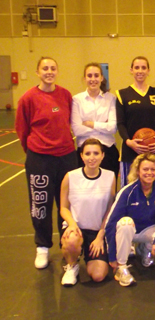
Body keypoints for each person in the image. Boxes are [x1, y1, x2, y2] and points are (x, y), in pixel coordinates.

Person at [15, 57, 78, 269]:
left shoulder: (65, 95)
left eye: (53, 68)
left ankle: (66, 242)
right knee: (40, 204)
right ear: (37, 72)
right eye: (45, 68)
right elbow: (22, 130)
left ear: (57, 71)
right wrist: (36, 150)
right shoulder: (28, 98)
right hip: (39, 158)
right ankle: (42, 247)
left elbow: (69, 123)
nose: (49, 71)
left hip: (67, 156)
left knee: (66, 204)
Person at [105, 153, 155, 287]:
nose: (149, 173)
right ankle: (122, 267)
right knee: (125, 223)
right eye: (145, 169)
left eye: (153, 169)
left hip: (147, 230)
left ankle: (145, 250)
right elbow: (110, 223)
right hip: (127, 231)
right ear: (138, 171)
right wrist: (112, 256)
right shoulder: (127, 192)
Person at [60, 139, 116, 286]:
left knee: (98, 276)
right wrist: (72, 224)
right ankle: (72, 266)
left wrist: (100, 236)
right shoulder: (70, 177)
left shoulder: (110, 176)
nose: (92, 157)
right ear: (82, 156)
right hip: (76, 228)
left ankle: (90, 253)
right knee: (72, 240)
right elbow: (64, 208)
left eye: (96, 153)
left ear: (103, 155)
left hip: (96, 231)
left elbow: (110, 210)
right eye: (88, 153)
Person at [116, 56, 155, 188]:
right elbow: (120, 124)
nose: (140, 71)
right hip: (131, 151)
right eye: (137, 67)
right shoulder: (122, 94)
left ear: (148, 71)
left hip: (154, 149)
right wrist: (129, 142)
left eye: (143, 68)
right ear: (131, 70)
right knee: (130, 190)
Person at [71, 62, 119, 178]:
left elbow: (112, 128)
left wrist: (90, 124)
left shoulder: (111, 98)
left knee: (108, 192)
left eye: (96, 75)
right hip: (84, 152)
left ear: (102, 78)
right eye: (89, 76)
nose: (93, 79)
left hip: (108, 151)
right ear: (84, 78)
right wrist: (103, 126)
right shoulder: (76, 100)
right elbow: (77, 129)